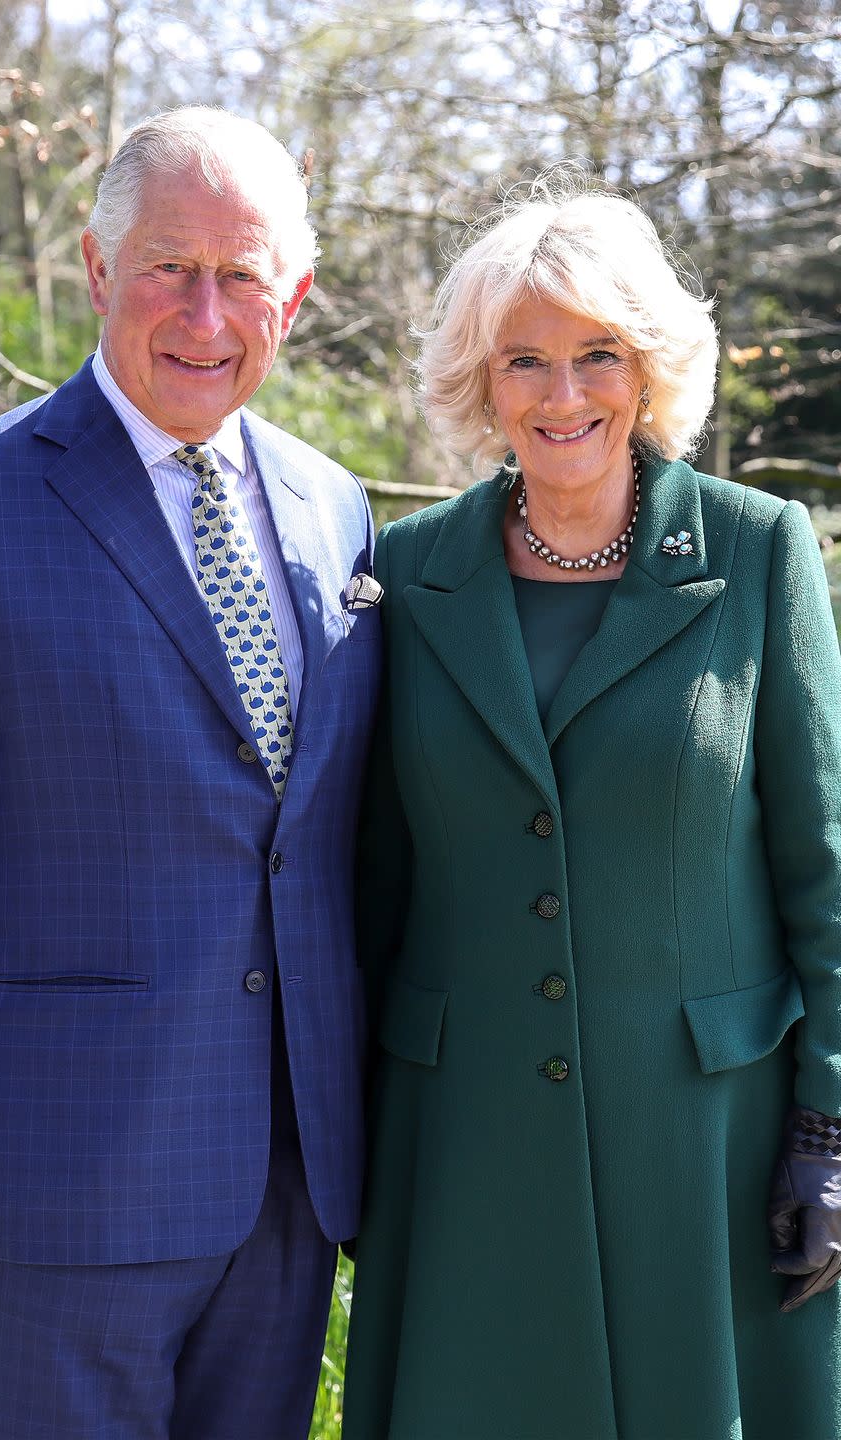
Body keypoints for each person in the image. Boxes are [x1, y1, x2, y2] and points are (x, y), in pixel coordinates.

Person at [0, 105, 380, 1440]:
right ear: (99, 274)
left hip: (285, 1180)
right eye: (167, 267)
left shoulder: (339, 510)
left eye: (242, 276)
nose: (204, 314)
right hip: (53, 1185)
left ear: (298, 296)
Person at [342, 173, 841, 1439]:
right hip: (465, 1139)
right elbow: (371, 879)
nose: (563, 396)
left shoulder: (760, 549)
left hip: (710, 1147)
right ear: (482, 381)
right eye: (526, 360)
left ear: (649, 366)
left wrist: (830, 1130)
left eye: (598, 355)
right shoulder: (405, 574)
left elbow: (826, 873)